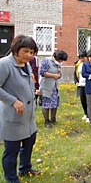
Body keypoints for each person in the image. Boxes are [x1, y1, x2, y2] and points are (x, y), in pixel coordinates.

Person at [0, 35, 41, 183]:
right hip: (13, 116)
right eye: (25, 51)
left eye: (31, 52)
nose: (29, 55)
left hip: (28, 117)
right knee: (12, 151)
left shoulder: (27, 64)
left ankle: (25, 168)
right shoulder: (5, 64)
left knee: (29, 144)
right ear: (15, 49)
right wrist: (13, 101)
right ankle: (11, 179)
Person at [39, 50, 68, 127]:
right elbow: (42, 72)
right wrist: (53, 76)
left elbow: (58, 72)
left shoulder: (58, 64)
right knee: (46, 104)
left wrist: (59, 75)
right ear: (56, 57)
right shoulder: (46, 61)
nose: (61, 61)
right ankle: (46, 121)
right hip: (46, 86)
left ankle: (53, 119)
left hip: (54, 86)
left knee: (54, 103)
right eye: (61, 60)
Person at [74, 51, 89, 123]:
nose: (81, 59)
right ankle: (85, 113)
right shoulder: (78, 64)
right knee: (82, 100)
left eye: (83, 58)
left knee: (88, 100)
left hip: (88, 84)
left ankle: (89, 115)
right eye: (80, 58)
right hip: (80, 84)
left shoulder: (89, 64)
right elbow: (75, 73)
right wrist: (76, 81)